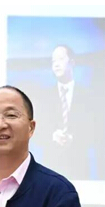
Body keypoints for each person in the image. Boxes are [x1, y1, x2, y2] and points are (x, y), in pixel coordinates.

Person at [34, 45, 101, 180]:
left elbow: (96, 131)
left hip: (79, 167)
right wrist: (52, 135)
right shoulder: (44, 96)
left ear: (72, 62)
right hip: (50, 167)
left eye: (60, 59)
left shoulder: (87, 96)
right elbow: (35, 132)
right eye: (53, 61)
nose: (56, 64)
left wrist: (74, 139)